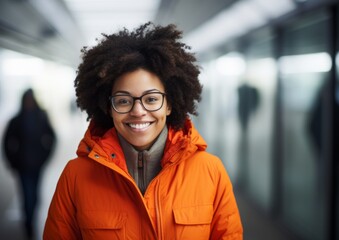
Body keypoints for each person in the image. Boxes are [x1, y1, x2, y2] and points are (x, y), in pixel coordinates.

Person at [43, 22, 243, 240]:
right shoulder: (75, 177)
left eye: (151, 99)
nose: (138, 111)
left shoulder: (211, 172)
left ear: (169, 105)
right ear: (108, 108)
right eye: (123, 100)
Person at [3, 88, 56, 239]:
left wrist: (45, 157)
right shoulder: (16, 120)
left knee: (35, 195)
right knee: (27, 195)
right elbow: (7, 142)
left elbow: (52, 137)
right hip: (23, 166)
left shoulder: (41, 117)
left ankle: (31, 219)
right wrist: (12, 161)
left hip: (37, 165)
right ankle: (28, 224)